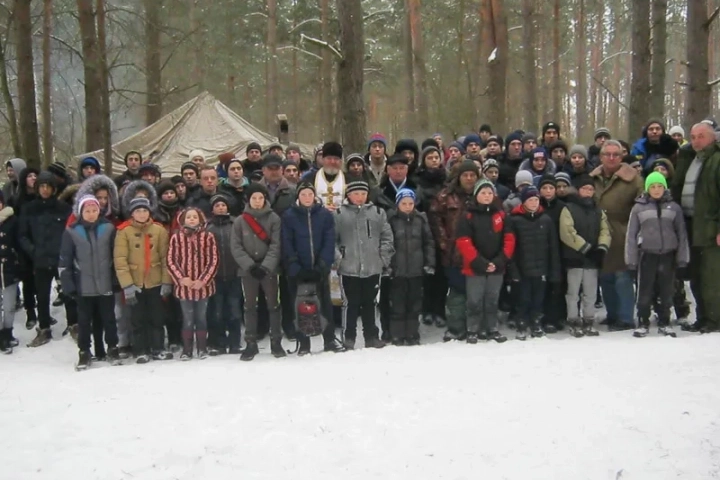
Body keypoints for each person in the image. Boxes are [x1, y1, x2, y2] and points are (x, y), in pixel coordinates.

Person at [281, 182, 344, 355]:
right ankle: (303, 342)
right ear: (298, 197)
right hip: (298, 270)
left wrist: (322, 264)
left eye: (310, 194)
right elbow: (286, 243)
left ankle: (329, 339)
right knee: (299, 305)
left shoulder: (324, 215)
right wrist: (295, 266)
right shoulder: (289, 216)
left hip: (319, 269)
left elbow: (329, 240)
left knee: (325, 303)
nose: (307, 198)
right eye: (303, 195)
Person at [59, 195, 119, 369]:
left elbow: (116, 256)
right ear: (80, 212)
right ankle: (84, 351)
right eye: (87, 211)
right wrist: (68, 285)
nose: (91, 214)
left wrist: (116, 279)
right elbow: (65, 261)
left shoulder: (108, 228)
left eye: (94, 210)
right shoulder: (71, 231)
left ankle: (112, 348)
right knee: (84, 321)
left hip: (106, 284)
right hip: (83, 286)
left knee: (109, 319)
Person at [626, 172, 689, 338]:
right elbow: (631, 236)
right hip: (647, 255)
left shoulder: (674, 208)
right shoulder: (639, 208)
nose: (656, 190)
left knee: (666, 290)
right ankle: (643, 320)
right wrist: (631, 261)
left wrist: (682, 258)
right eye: (652, 187)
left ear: (664, 188)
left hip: (668, 255)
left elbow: (681, 234)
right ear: (647, 189)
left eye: (659, 186)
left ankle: (665, 320)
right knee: (645, 290)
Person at [591, 140, 644, 331]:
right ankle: (612, 314)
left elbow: (642, 206)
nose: (611, 158)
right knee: (605, 277)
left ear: (622, 157)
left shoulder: (634, 179)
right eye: (607, 154)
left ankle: (625, 317)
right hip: (600, 233)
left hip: (624, 232)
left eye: (616, 154)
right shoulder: (593, 177)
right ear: (601, 156)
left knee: (622, 277)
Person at [335, 179, 394, 350]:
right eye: (355, 194)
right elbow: (332, 240)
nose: (359, 197)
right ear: (348, 195)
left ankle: (371, 336)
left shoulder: (377, 213)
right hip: (349, 267)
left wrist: (383, 258)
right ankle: (349, 337)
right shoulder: (339, 214)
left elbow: (387, 237)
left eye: (363, 193)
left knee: (370, 303)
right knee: (351, 303)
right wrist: (339, 258)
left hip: (373, 266)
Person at [672, 122, 720, 332]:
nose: (696, 141)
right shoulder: (691, 159)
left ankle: (715, 319)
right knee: (696, 276)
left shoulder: (716, 161)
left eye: (701, 136)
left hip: (711, 227)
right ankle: (702, 317)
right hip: (691, 225)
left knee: (712, 276)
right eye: (692, 137)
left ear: (712, 138)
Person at [114, 197, 173, 364]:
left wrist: (166, 281)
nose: (141, 214)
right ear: (132, 213)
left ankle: (158, 347)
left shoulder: (159, 230)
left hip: (155, 282)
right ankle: (140, 350)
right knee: (137, 318)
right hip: (135, 283)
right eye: (138, 211)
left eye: (144, 210)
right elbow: (120, 260)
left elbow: (165, 258)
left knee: (157, 317)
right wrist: (127, 285)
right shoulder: (124, 231)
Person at [455, 179, 514, 344]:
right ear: (476, 195)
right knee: (474, 300)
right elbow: (463, 241)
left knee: (492, 299)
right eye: (483, 193)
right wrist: (478, 261)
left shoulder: (501, 215)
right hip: (474, 266)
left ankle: (492, 328)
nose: (487, 196)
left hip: (497, 266)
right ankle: (472, 329)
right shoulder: (468, 216)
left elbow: (509, 239)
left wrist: (500, 260)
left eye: (490, 193)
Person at [19, 172, 72, 347]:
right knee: (41, 295)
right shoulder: (29, 209)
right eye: (41, 186)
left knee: (68, 293)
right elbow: (23, 235)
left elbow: (70, 231)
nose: (45, 189)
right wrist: (34, 252)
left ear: (54, 189)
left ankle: (74, 324)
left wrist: (66, 252)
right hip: (40, 259)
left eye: (48, 186)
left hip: (61, 258)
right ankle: (44, 328)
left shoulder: (63, 208)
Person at [231, 183, 283, 360]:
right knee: (249, 306)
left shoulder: (274, 218)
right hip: (248, 271)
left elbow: (276, 245)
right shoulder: (240, 221)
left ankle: (276, 341)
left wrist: (266, 266)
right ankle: (251, 342)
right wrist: (250, 266)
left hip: (269, 269)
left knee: (273, 306)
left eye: (261, 198)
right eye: (254, 198)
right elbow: (236, 246)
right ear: (249, 199)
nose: (257, 201)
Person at [558, 175, 611, 337]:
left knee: (591, 292)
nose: (587, 192)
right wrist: (586, 248)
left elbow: (605, 230)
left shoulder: (597, 210)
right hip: (574, 257)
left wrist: (601, 248)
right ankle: (573, 319)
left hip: (592, 259)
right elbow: (567, 232)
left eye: (590, 189)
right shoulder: (569, 208)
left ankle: (589, 319)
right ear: (578, 190)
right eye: (584, 189)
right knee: (573, 292)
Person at [507, 186, 562, 340]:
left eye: (536, 200)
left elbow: (553, 247)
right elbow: (511, 248)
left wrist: (554, 270)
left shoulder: (546, 219)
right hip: (523, 269)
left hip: (541, 268)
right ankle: (522, 323)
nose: (533, 203)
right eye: (530, 200)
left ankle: (536, 322)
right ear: (524, 201)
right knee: (523, 298)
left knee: (538, 299)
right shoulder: (514, 220)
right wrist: (513, 270)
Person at [167, 207, 218, 360]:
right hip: (185, 288)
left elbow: (213, 260)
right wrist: (182, 279)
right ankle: (187, 349)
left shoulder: (208, 236)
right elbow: (171, 260)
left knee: (201, 317)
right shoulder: (176, 238)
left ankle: (202, 348)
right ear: (182, 220)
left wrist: (203, 280)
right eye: (188, 217)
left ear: (200, 219)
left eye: (194, 217)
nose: (191, 219)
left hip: (202, 287)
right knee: (188, 319)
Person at [386, 189, 435, 346]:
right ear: (397, 204)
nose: (407, 206)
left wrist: (429, 263)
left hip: (416, 269)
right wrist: (387, 265)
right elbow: (386, 244)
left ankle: (412, 333)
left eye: (410, 203)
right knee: (398, 303)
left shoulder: (421, 220)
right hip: (398, 270)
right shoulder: (391, 220)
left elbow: (429, 243)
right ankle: (397, 334)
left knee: (414, 303)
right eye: (404, 203)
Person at [207, 194, 243, 354]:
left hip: (234, 274)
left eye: (223, 205)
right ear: (212, 209)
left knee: (234, 310)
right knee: (217, 311)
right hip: (215, 277)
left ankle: (235, 342)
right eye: (217, 205)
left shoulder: (235, 224)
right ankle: (218, 342)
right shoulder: (208, 228)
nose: (221, 207)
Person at [0, 191, 20, 353]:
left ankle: (7, 332)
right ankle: (1, 337)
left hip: (9, 268)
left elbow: (19, 242)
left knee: (9, 305)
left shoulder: (12, 220)